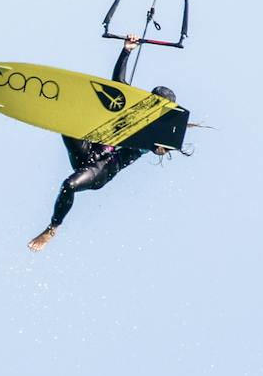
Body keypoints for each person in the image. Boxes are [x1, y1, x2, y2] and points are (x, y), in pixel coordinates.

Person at [27, 35, 177, 251]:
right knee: (67, 122)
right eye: (152, 100)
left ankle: (52, 228)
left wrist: (161, 147)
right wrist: (126, 50)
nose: (152, 104)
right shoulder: (137, 109)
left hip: (103, 168)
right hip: (89, 148)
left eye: (158, 104)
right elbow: (119, 84)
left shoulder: (159, 134)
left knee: (69, 185)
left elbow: (163, 148)